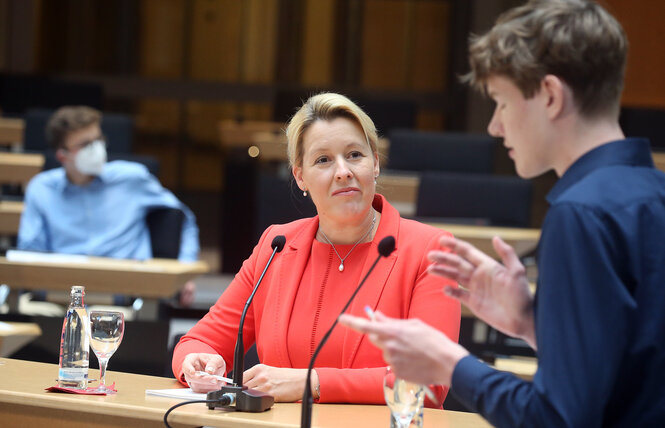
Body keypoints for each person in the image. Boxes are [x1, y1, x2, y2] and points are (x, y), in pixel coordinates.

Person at [340, 0, 665, 426]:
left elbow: (557, 418)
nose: (494, 126)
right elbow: (634, 371)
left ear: (549, 96)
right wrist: (532, 323)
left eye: (502, 103)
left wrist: (448, 362)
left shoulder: (580, 213)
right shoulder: (653, 192)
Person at [172, 92, 461, 406]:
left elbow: (431, 380)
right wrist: (198, 362)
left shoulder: (430, 252)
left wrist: (311, 383)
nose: (342, 171)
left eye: (354, 155)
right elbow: (200, 340)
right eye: (323, 160)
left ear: (375, 163)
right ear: (300, 177)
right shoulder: (277, 246)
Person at [18, 106, 200, 305]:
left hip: (127, 299)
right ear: (62, 155)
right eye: (86, 144)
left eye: (98, 139)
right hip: (60, 299)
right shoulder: (41, 188)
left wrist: (185, 271)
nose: (96, 148)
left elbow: (184, 219)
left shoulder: (132, 178)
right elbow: (30, 254)